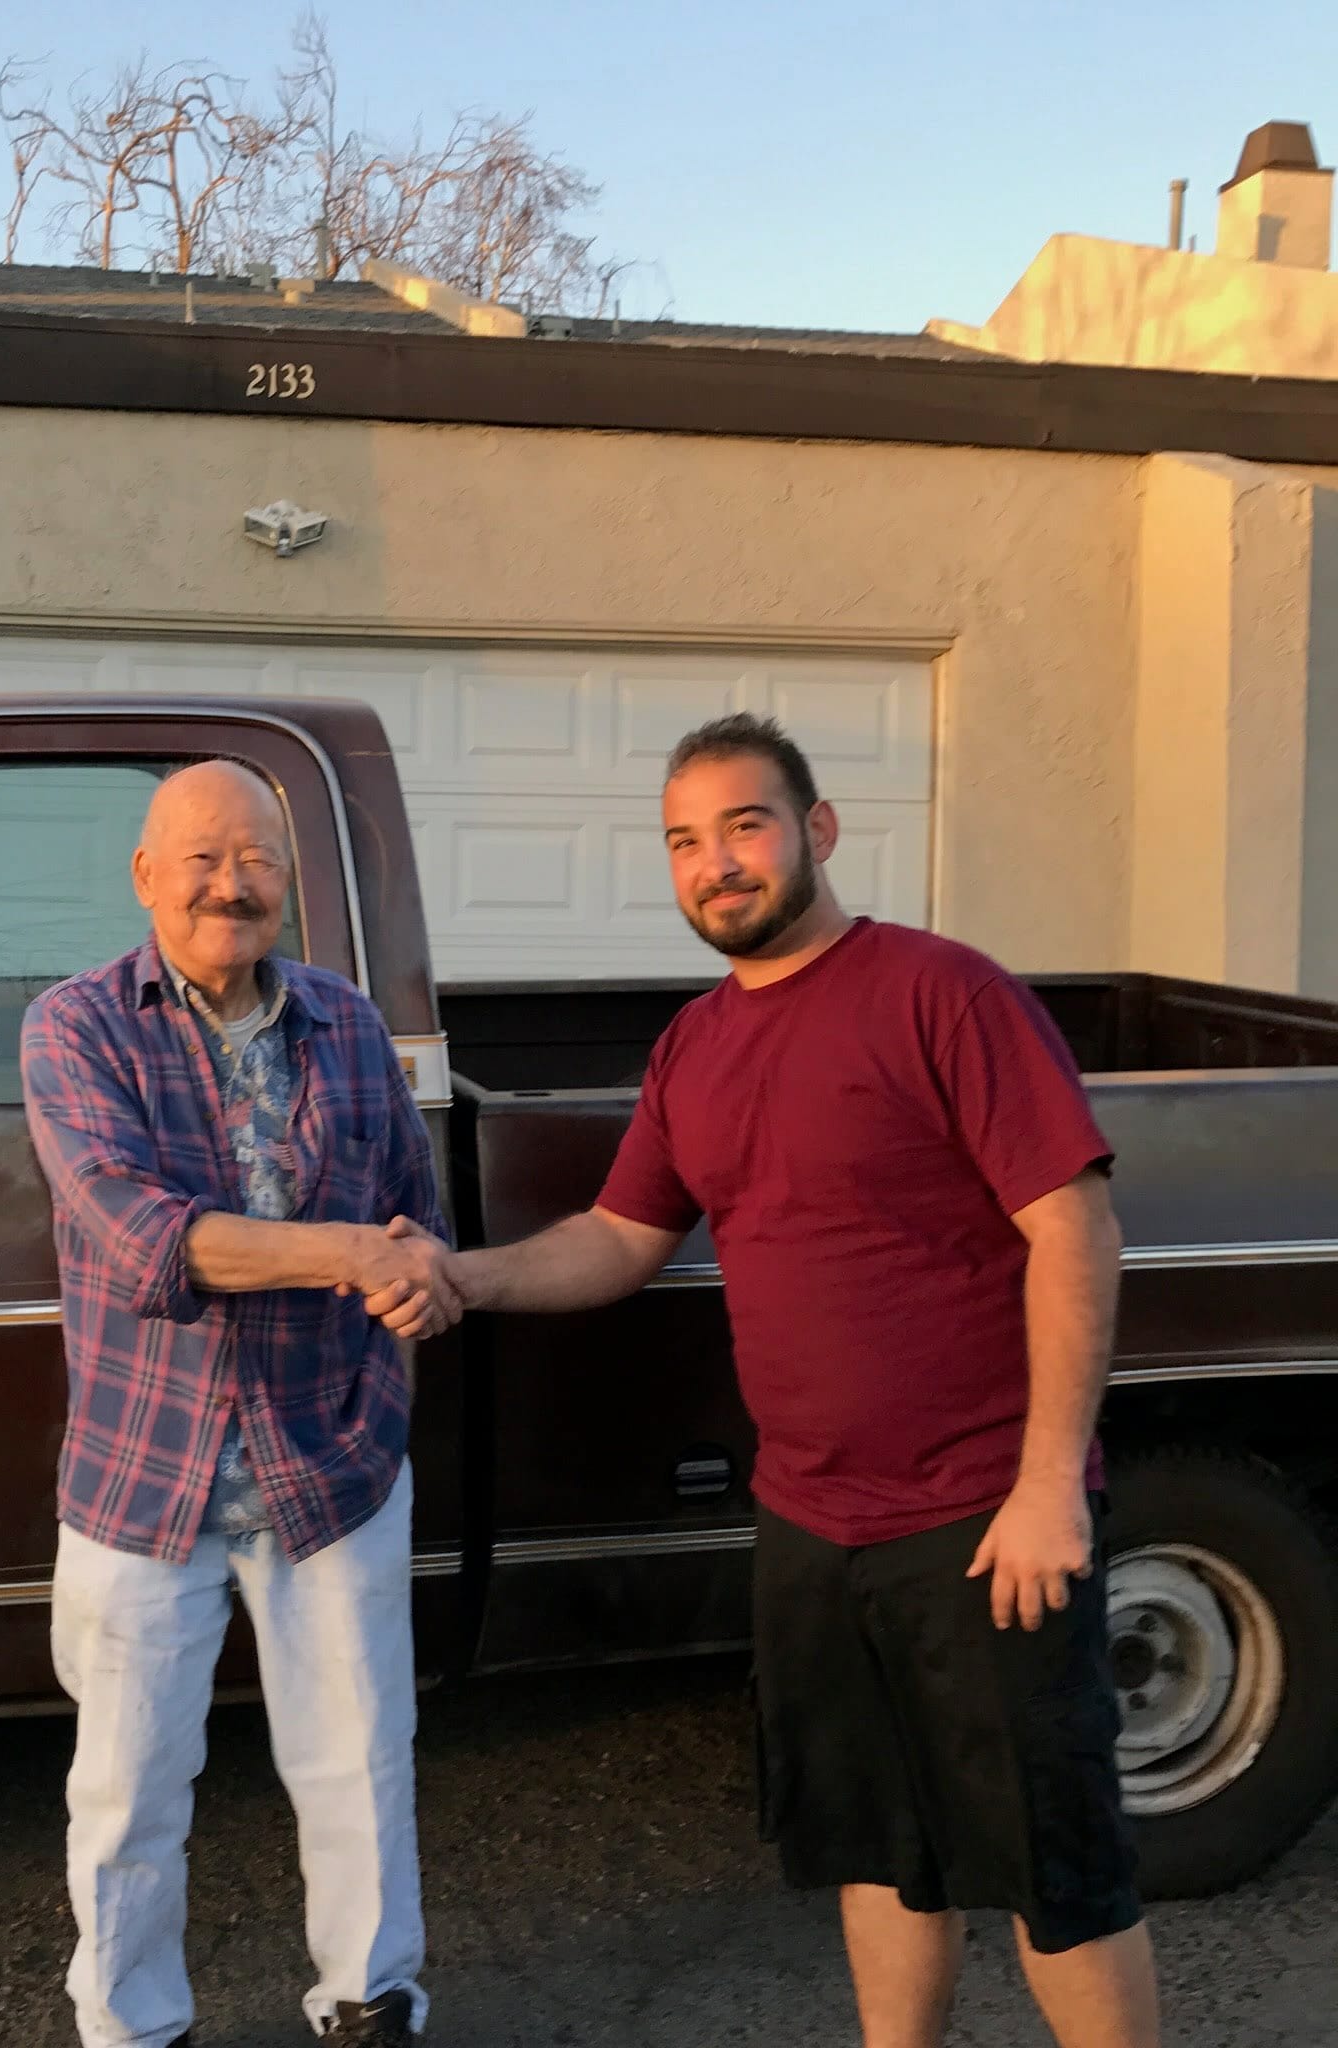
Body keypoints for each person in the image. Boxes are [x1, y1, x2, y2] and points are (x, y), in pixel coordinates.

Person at [375, 713, 1161, 2048]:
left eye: (744, 826)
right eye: (686, 841)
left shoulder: (941, 995)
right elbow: (619, 1241)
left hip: (983, 1519)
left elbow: (1072, 1226)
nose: (715, 864)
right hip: (810, 1522)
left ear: (818, 831)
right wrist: (463, 1277)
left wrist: (1046, 1487)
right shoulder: (697, 1048)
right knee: (874, 1846)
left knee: (1056, 1873)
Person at [21, 758, 456, 2048]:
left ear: (289, 879)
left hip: (333, 1462)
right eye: (201, 859)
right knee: (128, 1790)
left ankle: (372, 1999)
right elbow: (140, 1236)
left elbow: (414, 1219)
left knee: (363, 1764)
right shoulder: (75, 1026)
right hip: (144, 1477)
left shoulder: (350, 1022)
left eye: (258, 858)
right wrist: (353, 1256)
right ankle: (133, 2027)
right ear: (147, 878)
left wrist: (418, 1293)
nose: (232, 883)